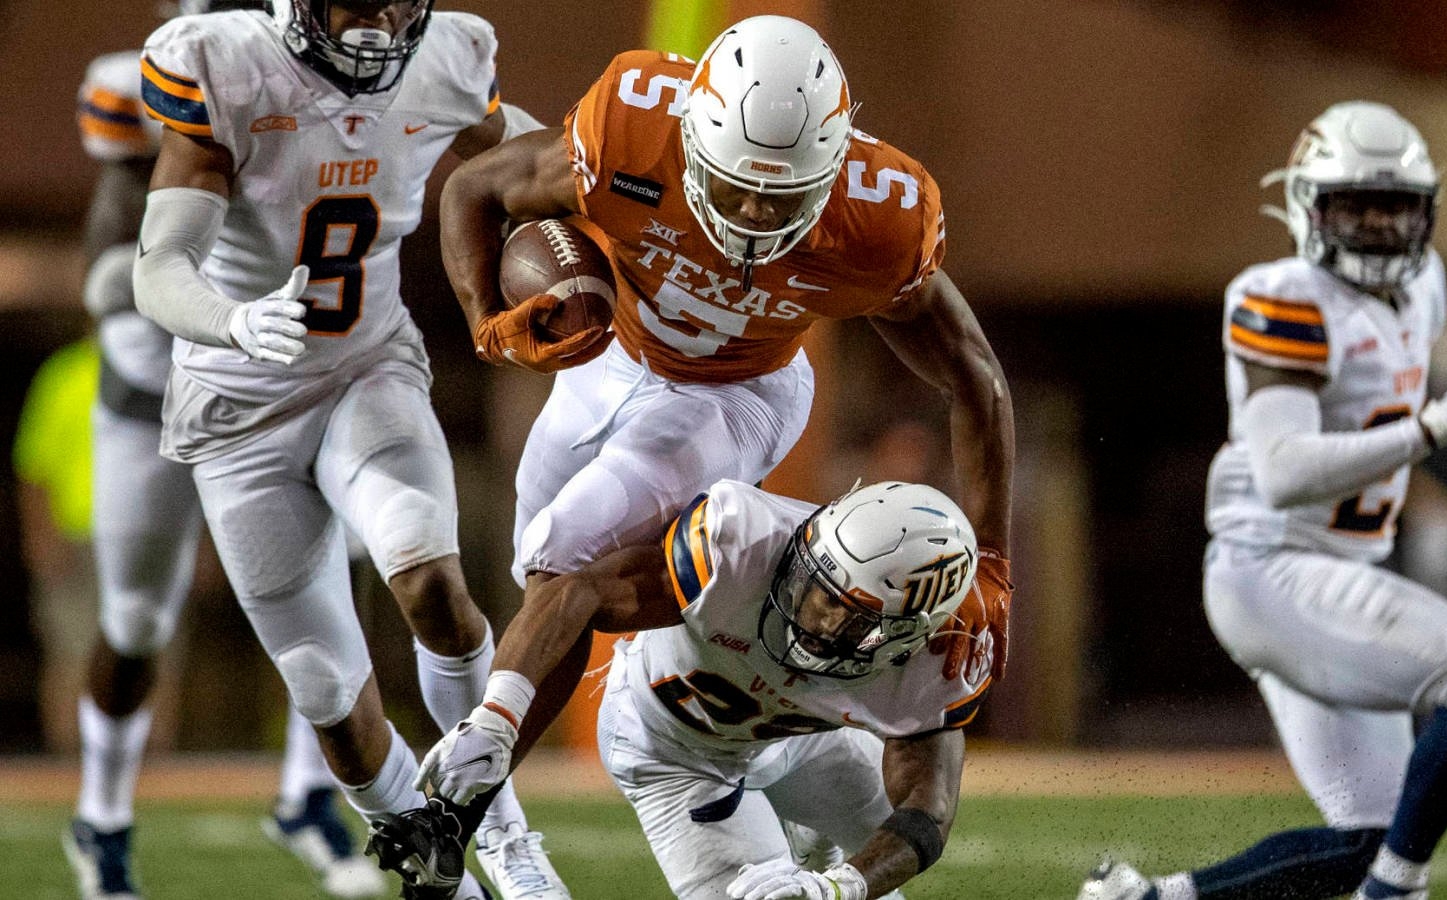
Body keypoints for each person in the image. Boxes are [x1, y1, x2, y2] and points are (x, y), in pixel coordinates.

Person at [433, 11, 1014, 786]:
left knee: (563, 551)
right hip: (611, 356)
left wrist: (993, 559)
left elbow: (973, 374)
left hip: (739, 388)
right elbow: (475, 185)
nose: (751, 215)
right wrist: (490, 329)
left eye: (780, 199)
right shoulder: (631, 131)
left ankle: (472, 803)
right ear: (694, 140)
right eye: (736, 187)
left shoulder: (879, 223)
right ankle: (771, 741)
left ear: (830, 172)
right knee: (534, 571)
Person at [127, 2, 565, 897]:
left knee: (430, 580)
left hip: (365, 368)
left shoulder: (446, 56)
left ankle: (508, 838)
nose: (376, 19)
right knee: (329, 699)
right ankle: (435, 859)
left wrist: (604, 181)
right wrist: (234, 320)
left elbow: (527, 149)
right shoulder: (229, 67)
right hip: (236, 402)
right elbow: (158, 263)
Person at [1079, 102, 1447, 900]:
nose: (1379, 229)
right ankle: (1394, 891)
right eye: (1354, 207)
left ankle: (1149, 899)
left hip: (1336, 567)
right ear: (1306, 206)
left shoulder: (1423, 287)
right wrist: (1428, 430)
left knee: (1366, 836)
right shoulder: (1282, 294)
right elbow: (1285, 471)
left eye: (1397, 209)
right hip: (1273, 570)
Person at [62, 5, 386, 898]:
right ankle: (101, 817)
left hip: (268, 392)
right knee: (136, 621)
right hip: (151, 395)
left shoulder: (333, 77)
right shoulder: (137, 84)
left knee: (345, 565)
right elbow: (114, 256)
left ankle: (309, 797)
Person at [373, 479, 992, 900]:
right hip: (676, 751)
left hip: (796, 741)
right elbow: (577, 592)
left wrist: (842, 887)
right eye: (812, 583)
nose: (810, 613)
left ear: (906, 634)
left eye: (844, 612)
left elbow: (925, 811)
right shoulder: (738, 541)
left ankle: (810, 845)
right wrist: (498, 718)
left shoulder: (943, 657)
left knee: (877, 867)